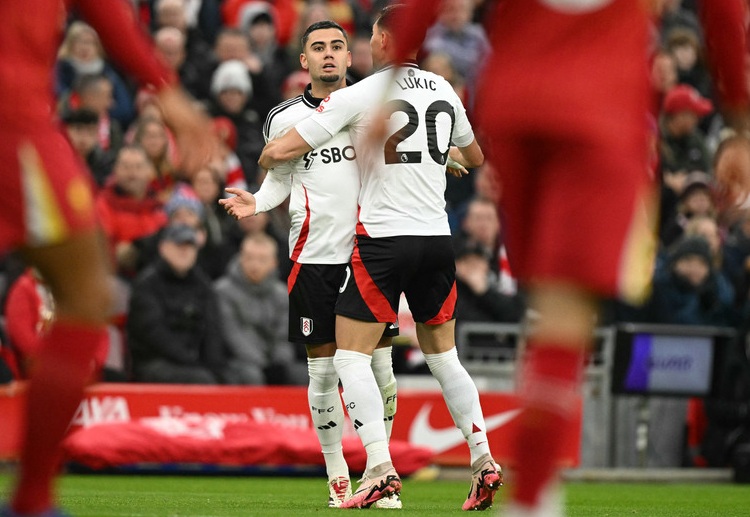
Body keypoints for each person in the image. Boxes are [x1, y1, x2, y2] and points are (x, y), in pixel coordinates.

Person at [387, 1, 750, 515]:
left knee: (545, 303)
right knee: (563, 313)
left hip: (512, 107)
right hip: (599, 111)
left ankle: (534, 489)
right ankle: (532, 496)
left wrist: (393, 73)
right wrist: (738, 116)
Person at [255, 6, 500, 510]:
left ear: (385, 41)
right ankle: (483, 459)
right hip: (437, 239)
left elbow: (282, 150)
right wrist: (440, 159)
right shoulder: (444, 89)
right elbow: (475, 158)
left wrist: (266, 162)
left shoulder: (359, 95)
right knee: (445, 359)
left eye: (369, 37)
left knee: (349, 359)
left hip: (383, 244)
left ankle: (379, 468)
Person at [0, 0, 216, 515]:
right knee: (85, 295)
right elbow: (103, 10)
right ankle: (32, 501)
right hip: (12, 114)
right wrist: (165, 88)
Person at [220, 20, 401, 509]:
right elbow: (279, 178)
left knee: (380, 370)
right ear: (304, 61)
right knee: (323, 376)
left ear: (350, 56)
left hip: (369, 257)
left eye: (336, 47)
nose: (328, 55)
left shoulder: (373, 108)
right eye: (317, 48)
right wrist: (257, 203)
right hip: (313, 259)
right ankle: (337, 473)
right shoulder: (282, 119)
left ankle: (378, 471)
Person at [128, 223, 228, 384]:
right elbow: (152, 333)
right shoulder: (147, 284)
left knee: (235, 377)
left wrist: (214, 365)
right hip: (154, 361)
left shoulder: (203, 284)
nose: (185, 251)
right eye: (179, 244)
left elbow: (212, 330)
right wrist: (191, 359)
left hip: (194, 361)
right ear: (163, 248)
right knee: (201, 380)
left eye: (190, 246)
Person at [214, 232, 306, 385]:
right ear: (240, 257)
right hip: (236, 361)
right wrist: (264, 365)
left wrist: (280, 362)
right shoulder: (222, 291)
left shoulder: (282, 293)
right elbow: (234, 336)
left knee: (305, 375)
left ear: (274, 263)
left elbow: (284, 336)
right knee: (252, 376)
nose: (254, 265)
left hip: (273, 361)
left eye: (262, 260)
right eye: (249, 258)